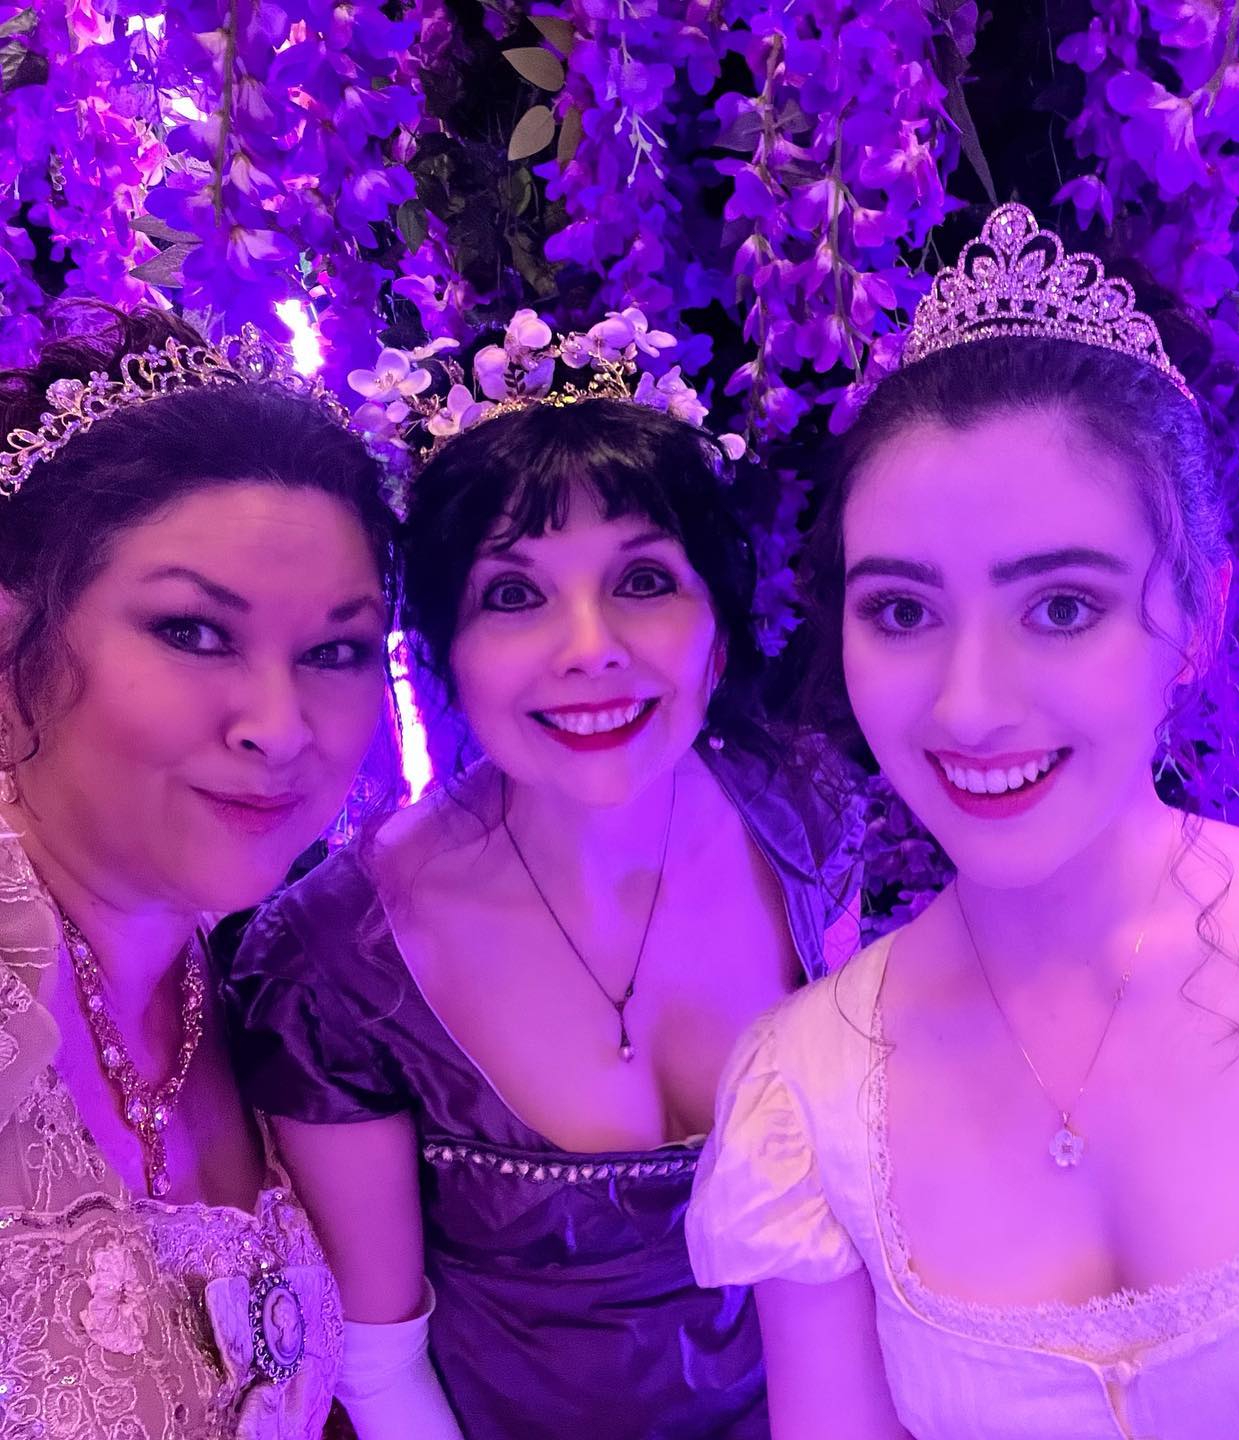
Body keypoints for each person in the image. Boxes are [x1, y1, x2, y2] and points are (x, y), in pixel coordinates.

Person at [686, 203, 1239, 1439]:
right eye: (902, 612)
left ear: (1198, 620)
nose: (969, 706)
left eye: (1061, 608)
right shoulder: (806, 1097)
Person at [223, 310, 864, 1440]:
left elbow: (856, 1214)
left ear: (719, 631)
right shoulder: (335, 963)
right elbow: (380, 1369)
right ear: (443, 656)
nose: (589, 648)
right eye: (514, 595)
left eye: (644, 580)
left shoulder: (809, 821)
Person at [0, 306, 399, 1438]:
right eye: (193, 631)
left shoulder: (258, 987)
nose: (280, 726)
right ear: (13, 644)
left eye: (335, 651)